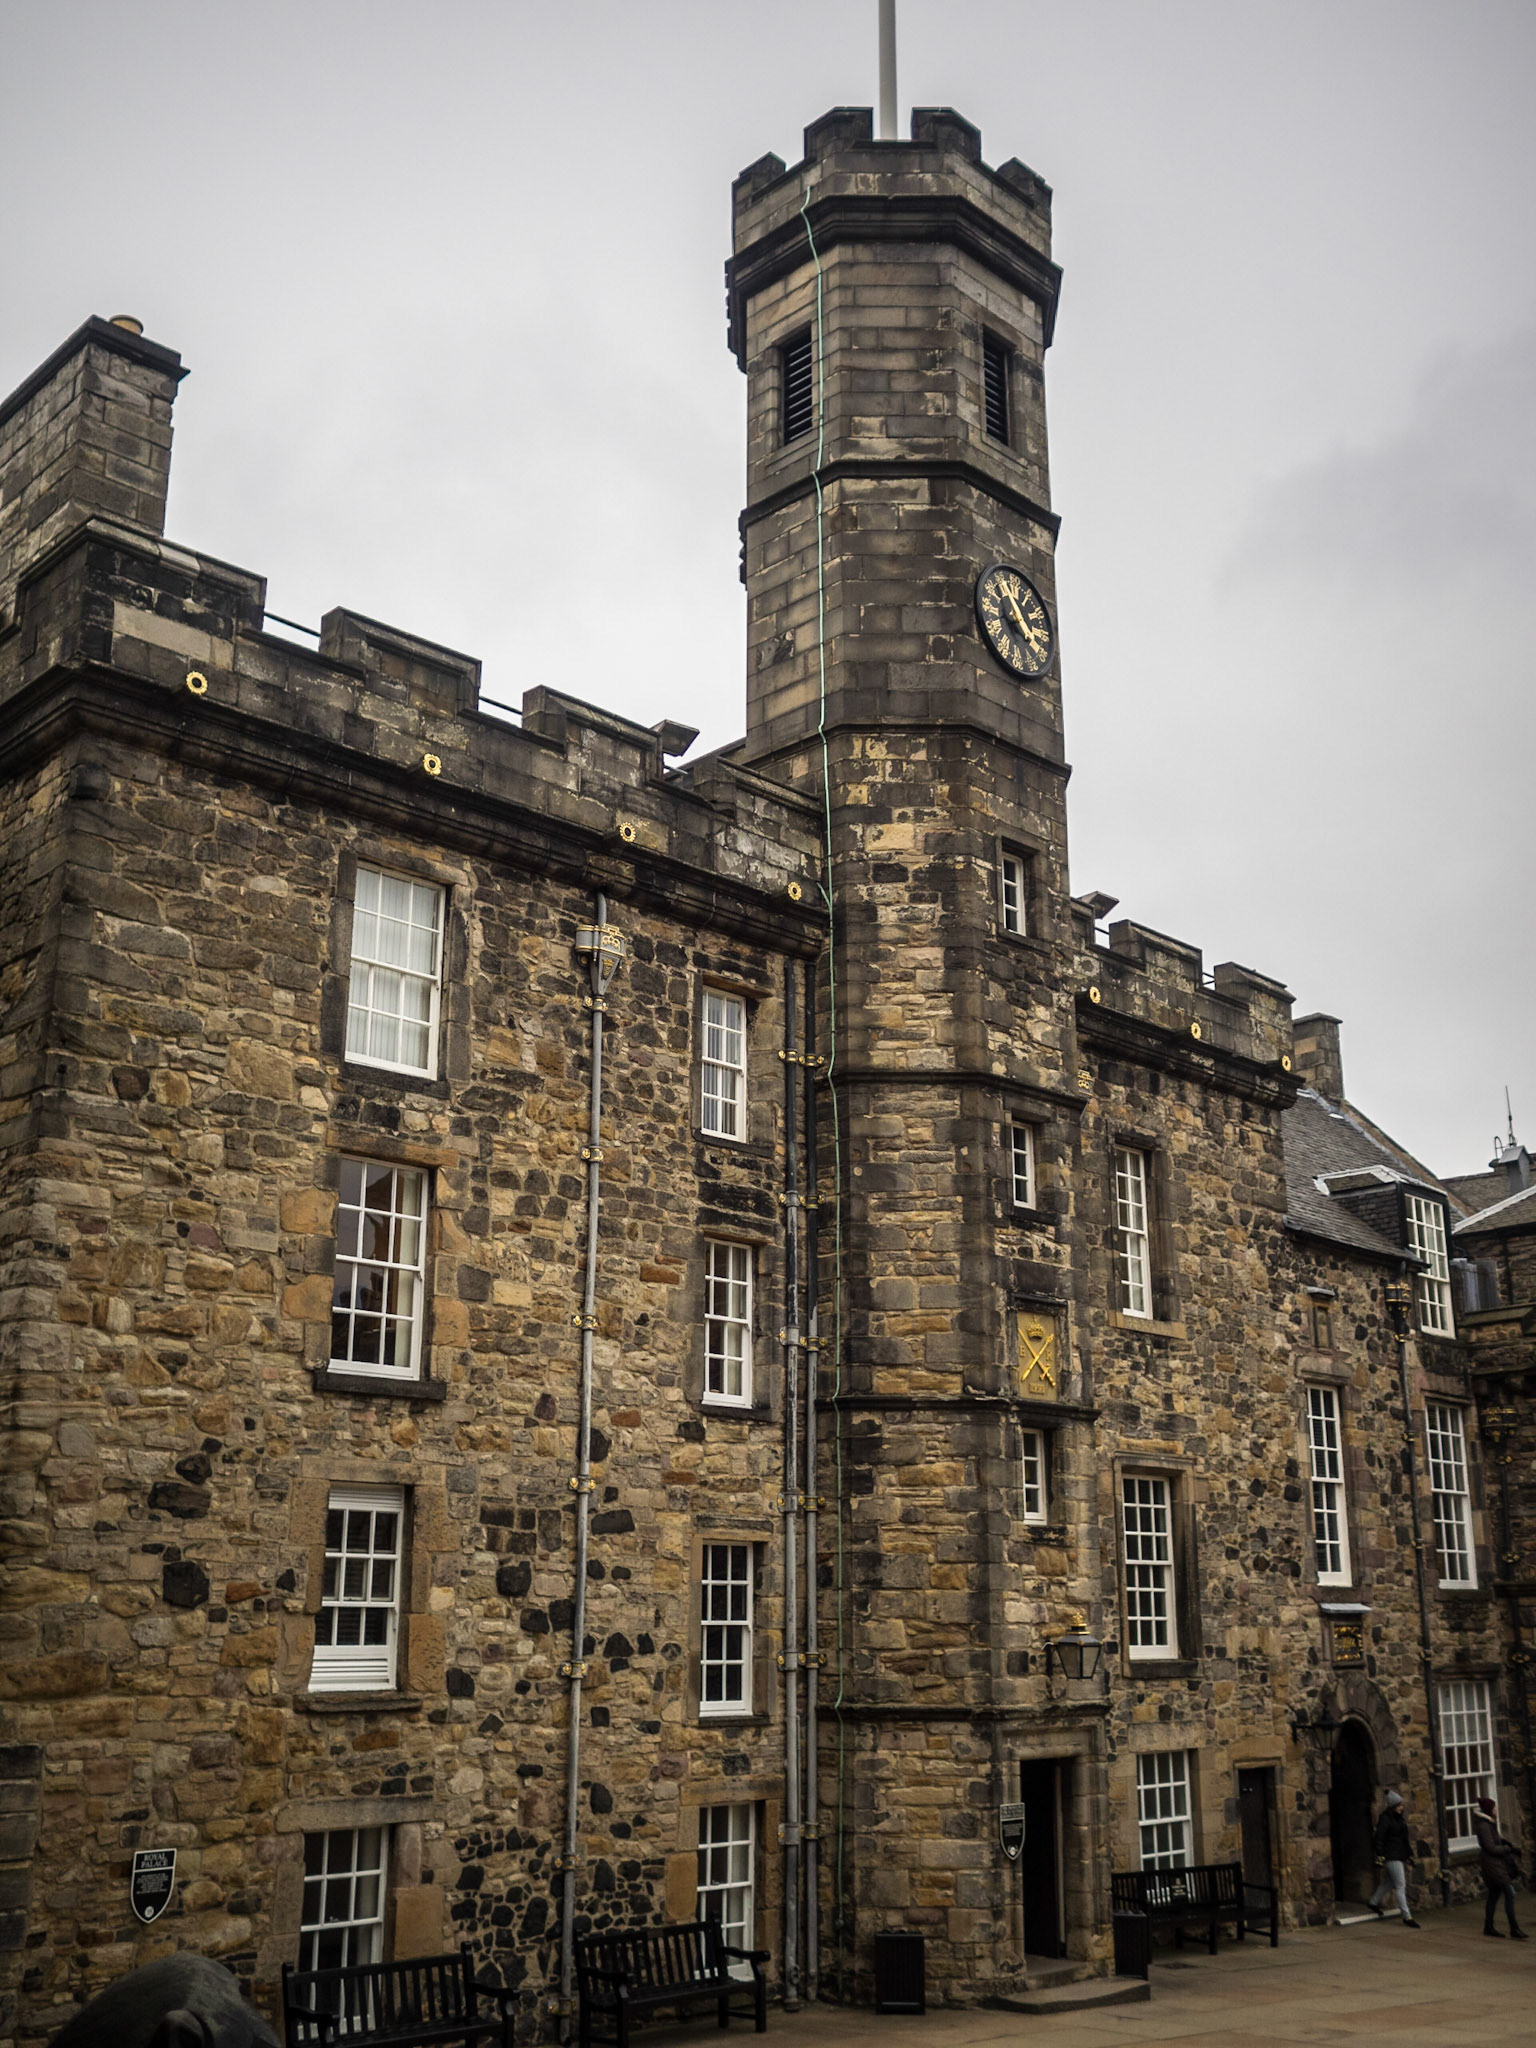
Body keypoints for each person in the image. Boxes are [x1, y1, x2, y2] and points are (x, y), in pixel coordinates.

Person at [1473, 1794, 1526, 1939]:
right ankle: (1514, 1929)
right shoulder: (1484, 1825)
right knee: (1510, 1893)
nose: (1496, 1809)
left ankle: (1488, 1926)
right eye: (1494, 1807)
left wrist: (1506, 1843)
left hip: (1493, 1864)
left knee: (1494, 1895)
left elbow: (1495, 1841)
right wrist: (1506, 1849)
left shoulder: (1488, 1823)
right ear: (1489, 1809)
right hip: (1493, 1865)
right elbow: (1490, 1847)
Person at [1368, 1790, 1422, 1927]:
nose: (1401, 1807)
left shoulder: (1399, 1819)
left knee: (1390, 1882)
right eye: (1399, 1805)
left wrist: (1409, 1855)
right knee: (1400, 1885)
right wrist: (1380, 1855)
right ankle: (1407, 1916)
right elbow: (1379, 1838)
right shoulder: (1385, 1819)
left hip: (1398, 1854)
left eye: (1401, 1805)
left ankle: (1373, 1902)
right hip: (1391, 1856)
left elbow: (1404, 1840)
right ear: (1393, 1806)